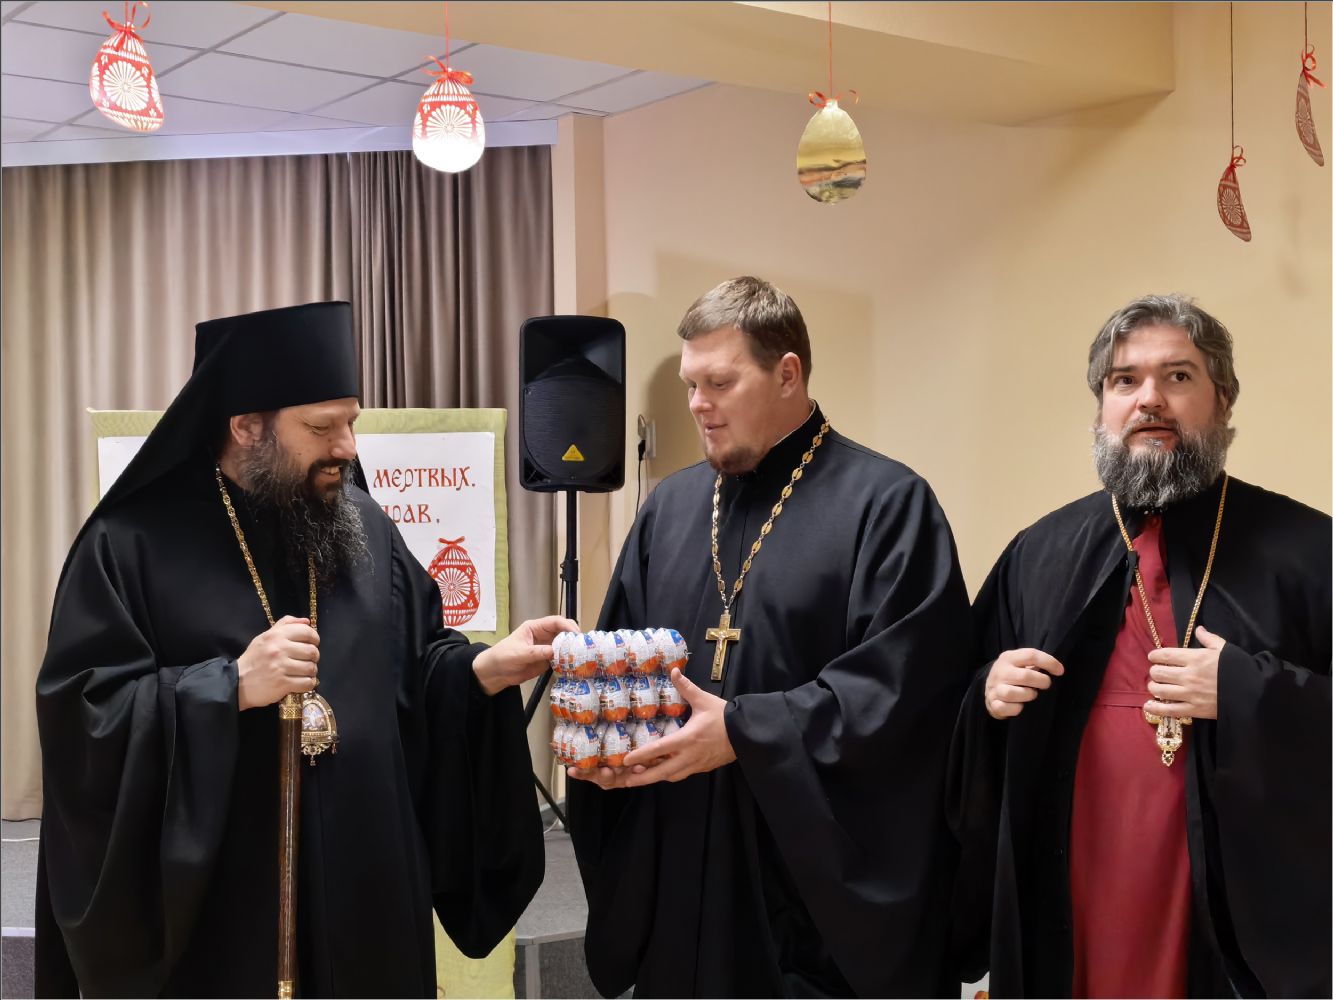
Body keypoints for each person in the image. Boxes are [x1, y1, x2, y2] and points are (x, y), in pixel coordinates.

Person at [34, 301, 576, 998]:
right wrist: (228, 687)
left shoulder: (363, 524)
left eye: (351, 421)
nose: (347, 446)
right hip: (227, 908)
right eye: (322, 427)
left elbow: (409, 668)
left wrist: (479, 670)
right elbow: (85, 719)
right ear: (245, 426)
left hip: (366, 885)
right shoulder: (130, 543)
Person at [565, 276, 974, 998]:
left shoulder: (886, 506)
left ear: (787, 374)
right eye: (691, 384)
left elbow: (905, 695)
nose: (698, 404)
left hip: (804, 898)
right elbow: (625, 663)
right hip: (678, 868)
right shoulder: (670, 508)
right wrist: (606, 747)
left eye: (720, 383)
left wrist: (745, 733)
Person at [947, 294, 1331, 998]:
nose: (1148, 398)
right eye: (1124, 380)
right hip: (1078, 871)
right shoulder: (1039, 551)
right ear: (1102, 408)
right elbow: (946, 711)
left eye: (1177, 376)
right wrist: (987, 693)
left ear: (1222, 400)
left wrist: (1248, 692)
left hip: (1233, 901)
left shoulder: (1309, 551)